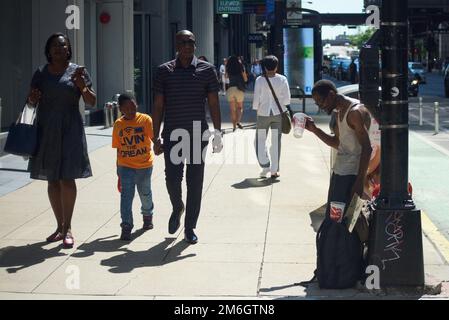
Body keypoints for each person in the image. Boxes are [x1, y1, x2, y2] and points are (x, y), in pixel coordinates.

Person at [152, 30, 223, 244]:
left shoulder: (207, 70)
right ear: (176, 45)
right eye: (183, 42)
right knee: (172, 179)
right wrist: (155, 137)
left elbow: (213, 103)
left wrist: (218, 133)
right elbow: (158, 105)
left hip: (197, 134)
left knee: (195, 182)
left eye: (191, 42)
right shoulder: (164, 71)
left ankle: (190, 227)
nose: (187, 45)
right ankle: (177, 207)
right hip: (173, 134)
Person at [26, 33, 96, 248]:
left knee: (67, 178)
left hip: (71, 130)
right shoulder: (41, 73)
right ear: (48, 50)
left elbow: (92, 102)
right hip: (47, 129)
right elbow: (30, 103)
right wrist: (32, 99)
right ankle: (59, 226)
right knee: (52, 180)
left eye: (62, 45)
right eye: (54, 46)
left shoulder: (77, 71)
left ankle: (68, 229)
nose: (58, 48)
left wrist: (81, 85)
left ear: (69, 49)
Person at [305, 80, 372, 221]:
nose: (320, 106)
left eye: (320, 102)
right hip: (340, 173)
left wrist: (360, 182)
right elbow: (337, 143)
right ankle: (337, 241)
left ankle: (347, 243)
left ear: (331, 95)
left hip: (351, 176)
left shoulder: (354, 112)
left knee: (349, 220)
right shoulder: (338, 110)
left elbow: (367, 148)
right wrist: (314, 130)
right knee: (335, 219)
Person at [112, 93, 155, 241]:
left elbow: (154, 138)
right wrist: (118, 170)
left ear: (137, 104)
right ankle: (126, 226)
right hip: (125, 166)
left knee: (145, 193)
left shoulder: (145, 120)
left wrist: (160, 145)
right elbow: (118, 148)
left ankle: (147, 215)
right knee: (126, 197)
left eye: (133, 106)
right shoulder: (118, 124)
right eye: (127, 108)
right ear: (121, 109)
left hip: (144, 165)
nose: (131, 110)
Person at [253, 55, 291, 179]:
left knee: (259, 141)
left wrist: (256, 109)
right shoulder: (282, 79)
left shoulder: (259, 80)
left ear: (264, 66)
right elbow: (286, 100)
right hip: (278, 114)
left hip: (263, 113)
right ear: (276, 66)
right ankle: (274, 170)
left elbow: (256, 98)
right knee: (276, 142)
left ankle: (265, 165)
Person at [226, 55, 248, 131]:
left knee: (232, 109)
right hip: (239, 89)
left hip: (230, 89)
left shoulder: (228, 68)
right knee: (240, 107)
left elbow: (226, 77)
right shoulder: (241, 68)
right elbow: (245, 79)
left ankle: (234, 126)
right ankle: (237, 122)